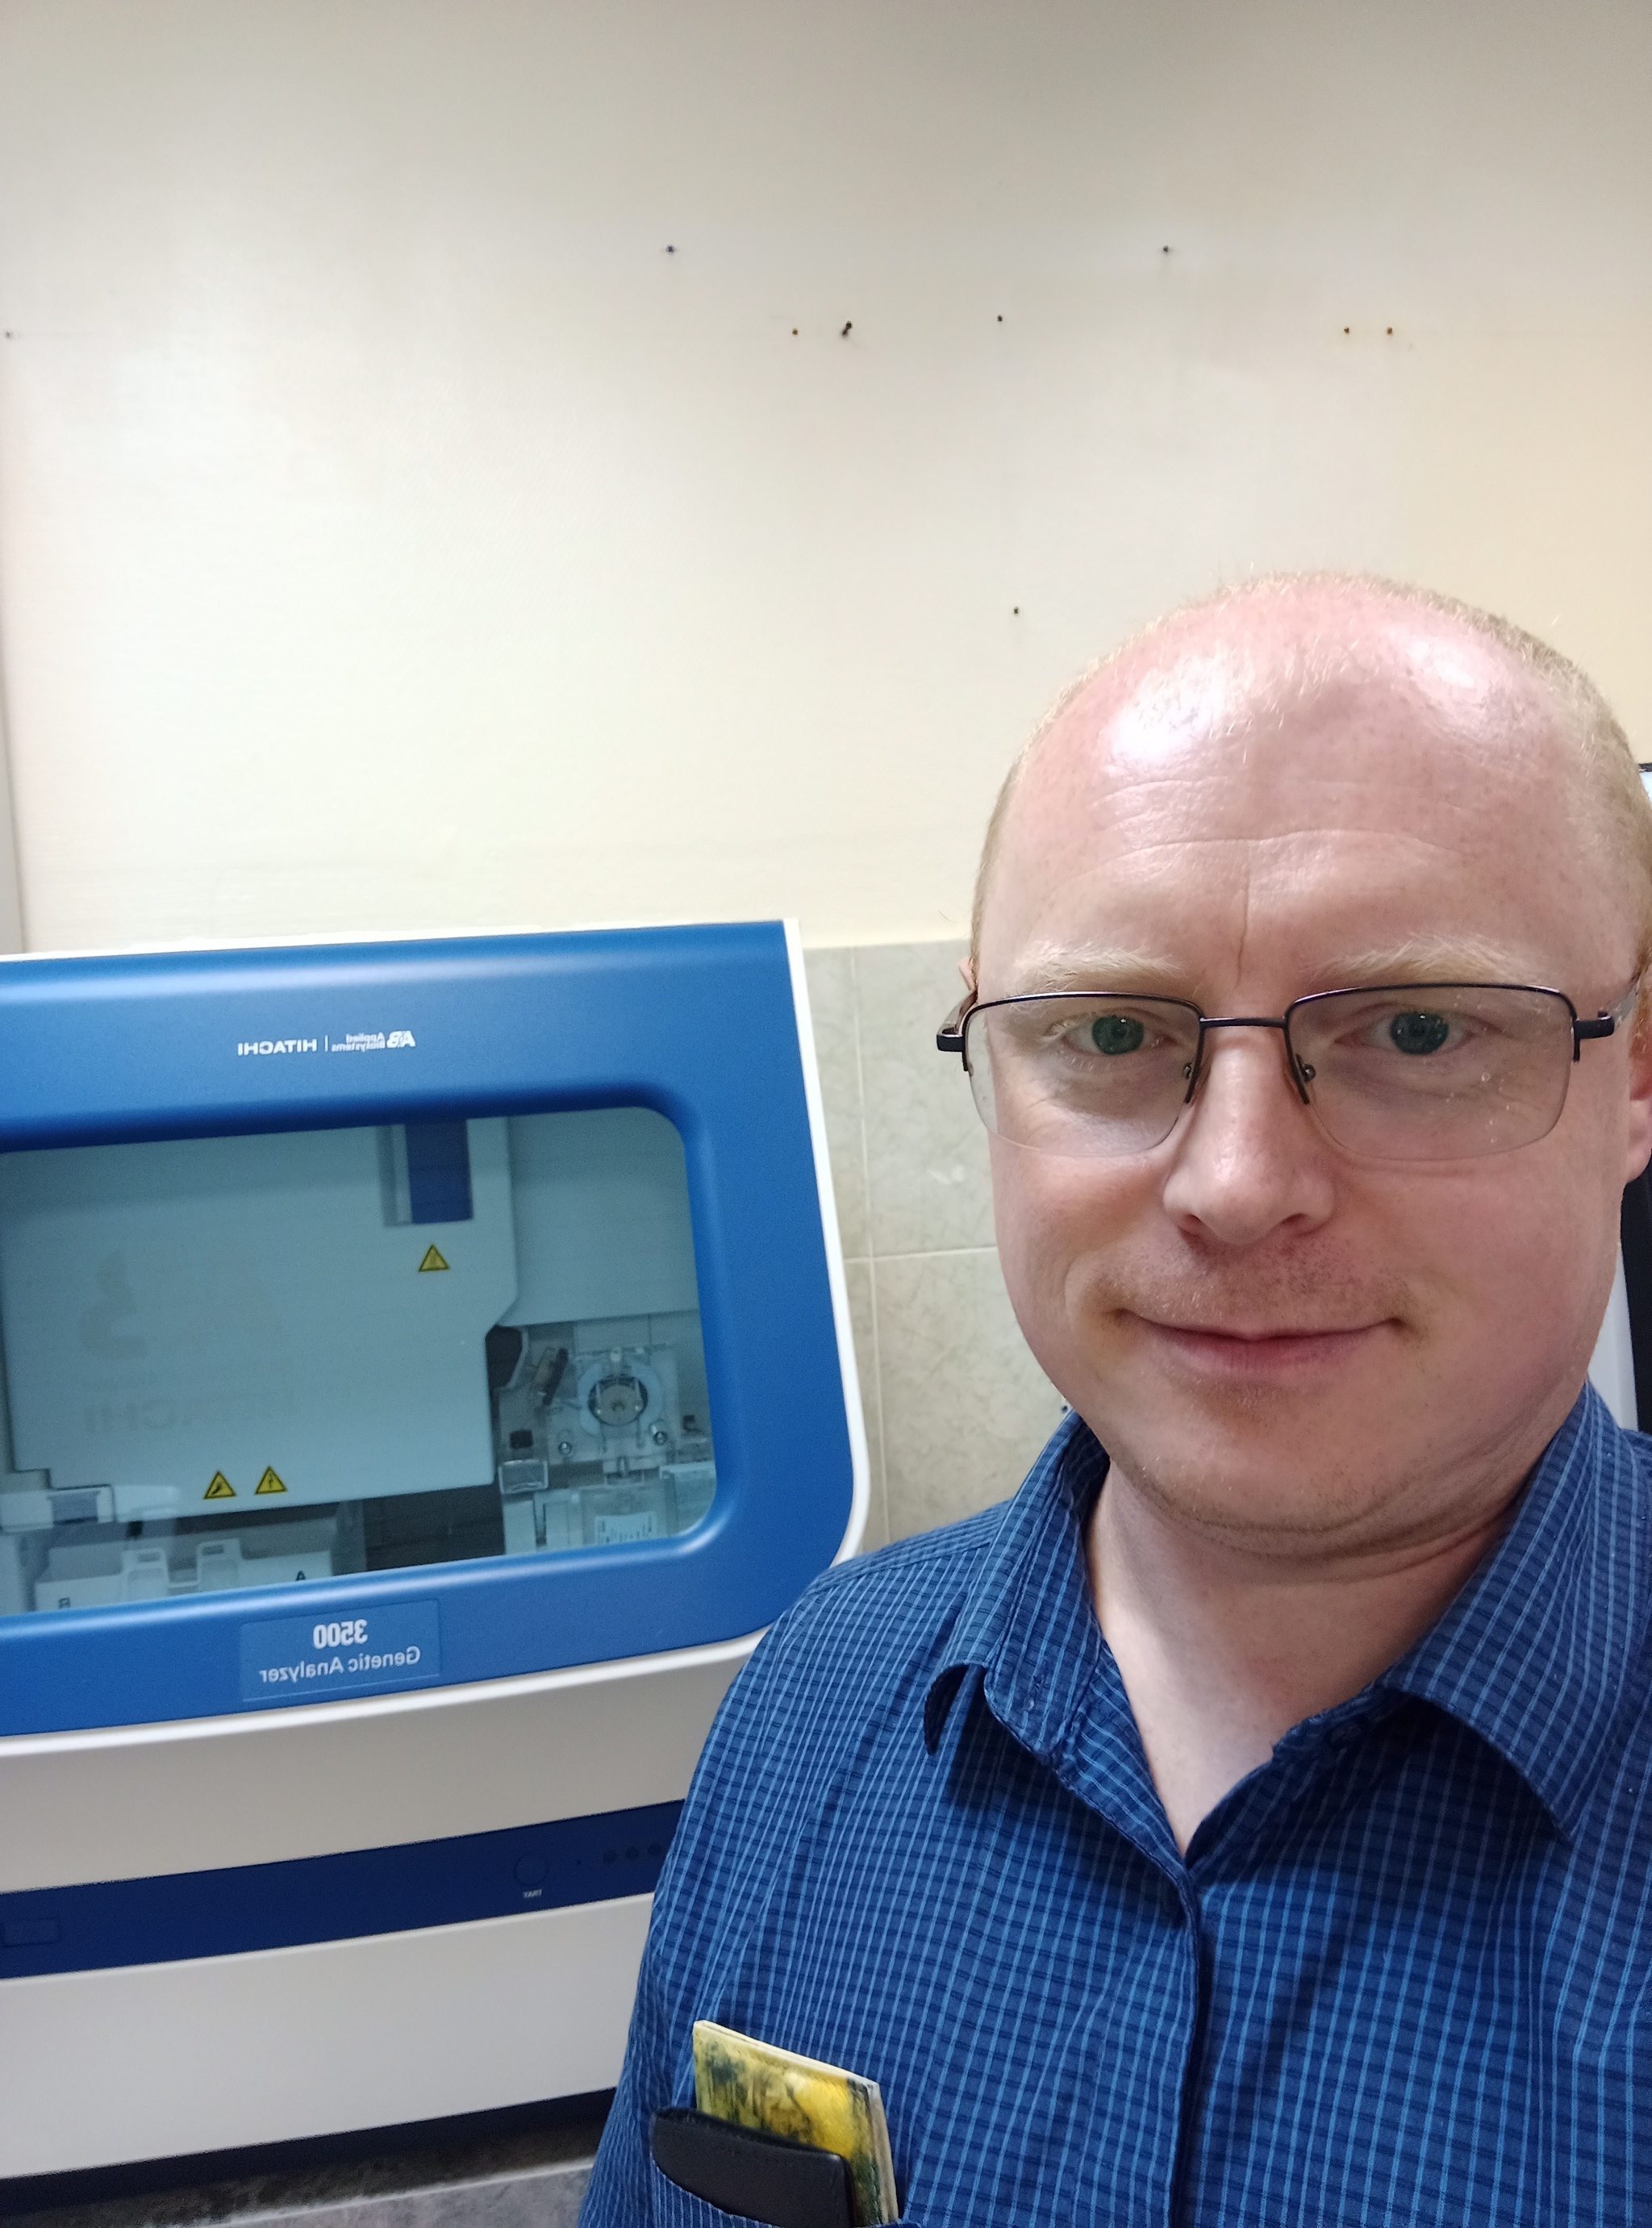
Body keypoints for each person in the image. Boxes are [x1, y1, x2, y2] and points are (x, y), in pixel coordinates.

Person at [581, 575, 1652, 2226]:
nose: (1236, 1183)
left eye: (1419, 1027)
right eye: (1108, 1030)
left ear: (1631, 1072)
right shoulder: (809, 1705)